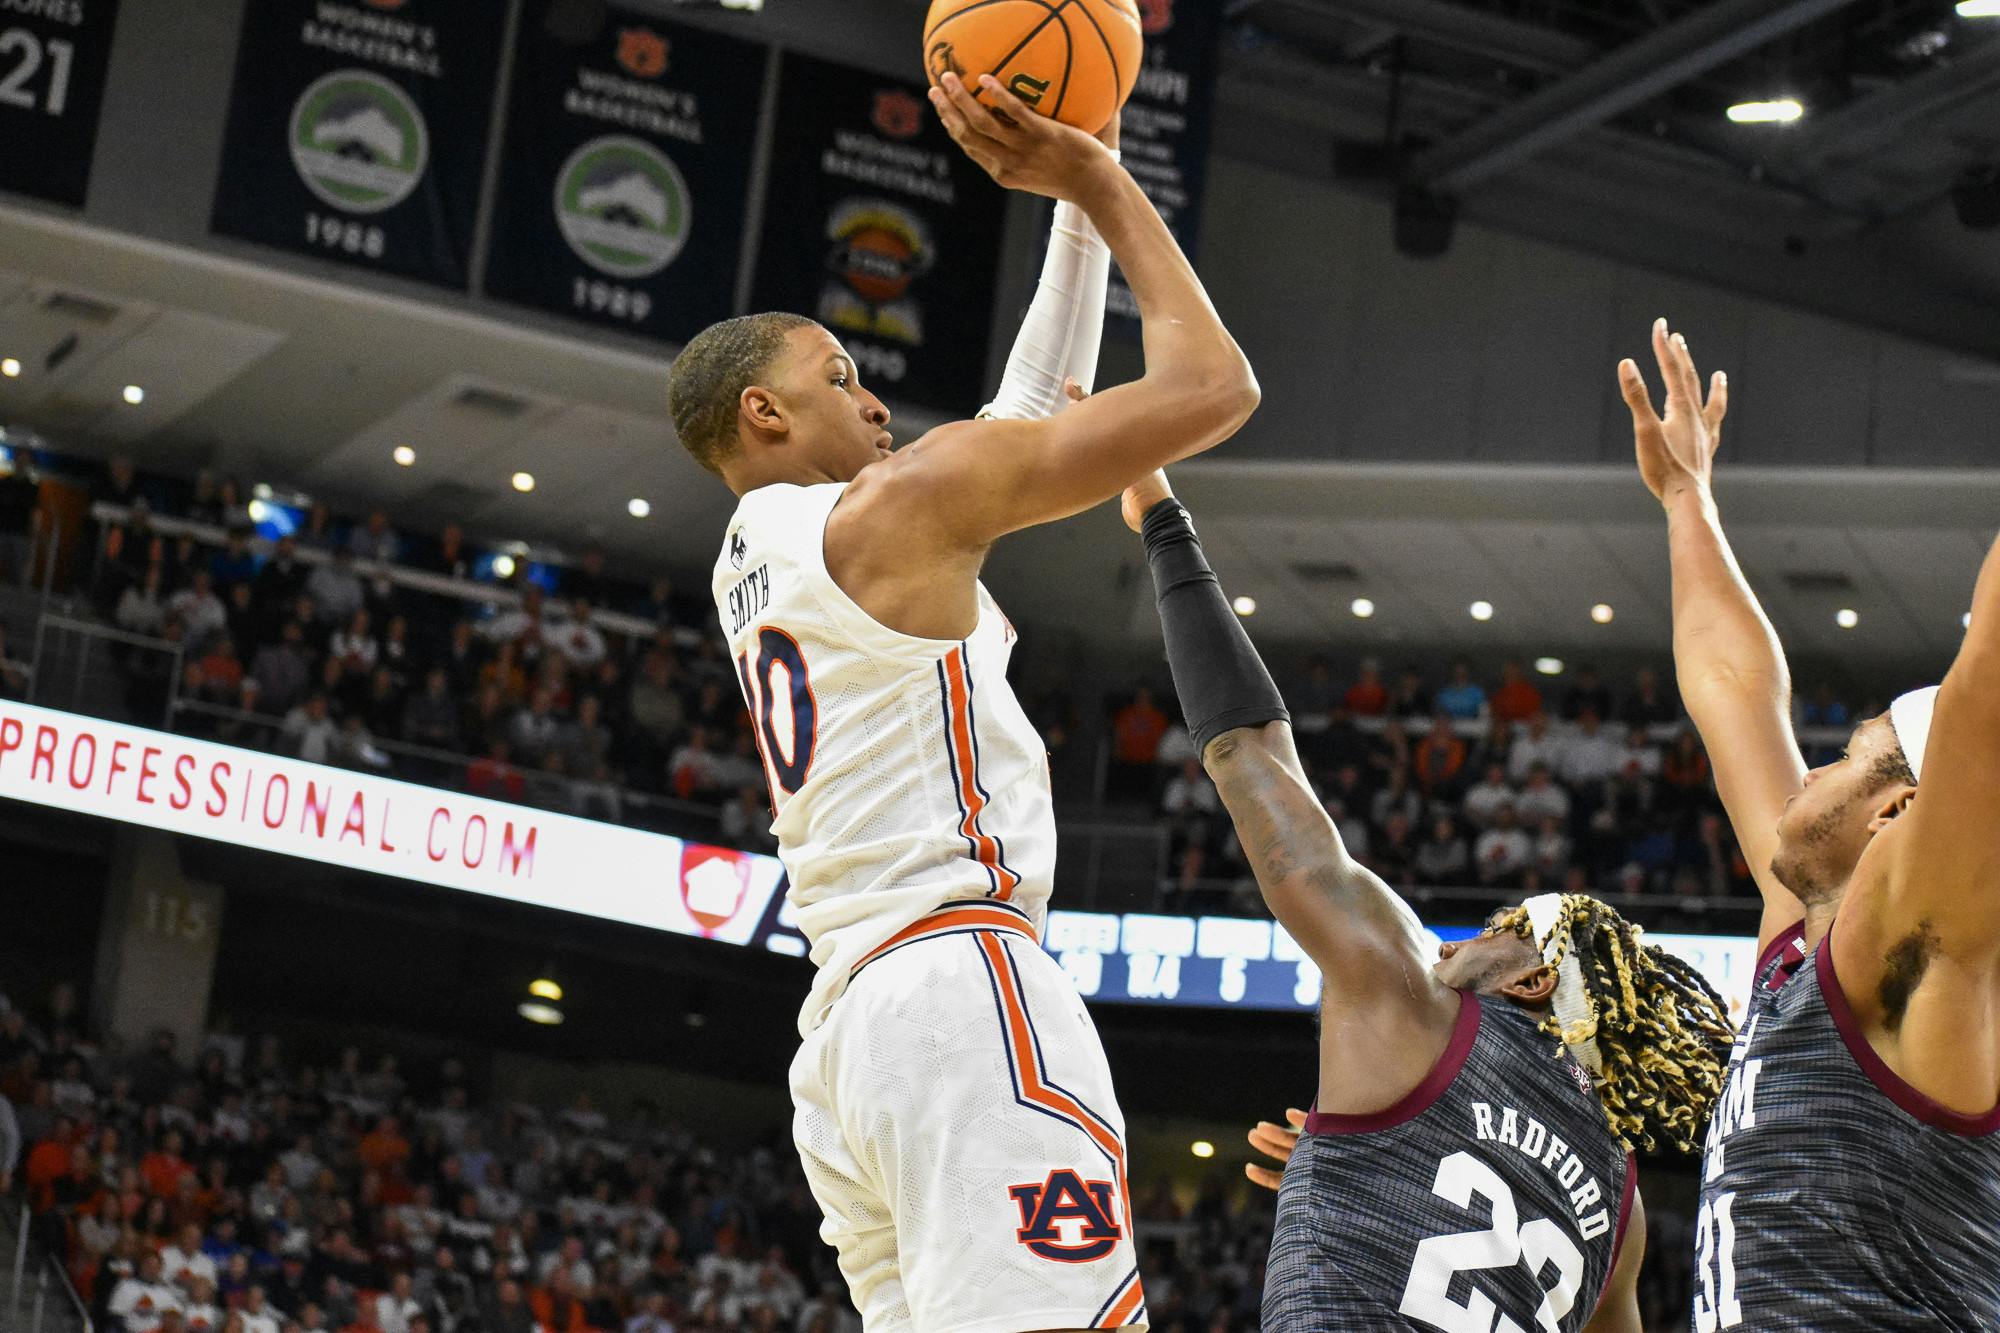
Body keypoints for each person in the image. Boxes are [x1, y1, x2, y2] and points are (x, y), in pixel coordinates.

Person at [679, 75, 1256, 1330]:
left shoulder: (757, 556)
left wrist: (1079, 184)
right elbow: (1214, 388)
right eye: (839, 375)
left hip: (849, 1039)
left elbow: (1027, 412)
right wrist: (1099, 181)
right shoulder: (887, 510)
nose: (873, 399)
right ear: (763, 411)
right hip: (955, 986)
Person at [1122, 470, 1732, 1332]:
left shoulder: (1411, 996)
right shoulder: (1623, 1210)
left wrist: (1160, 519)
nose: (1450, 944)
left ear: (1531, 981)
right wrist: (1387, 1172)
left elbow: (1248, 753)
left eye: (1494, 931)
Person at [1620, 318, 2000, 1327]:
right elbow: (1733, 688)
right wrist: (1687, 501)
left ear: (1902, 811)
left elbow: (1985, 690)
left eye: (1847, 755)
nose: (1808, 773)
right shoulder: (1807, 939)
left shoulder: (1905, 938)